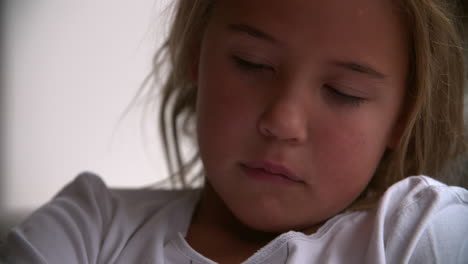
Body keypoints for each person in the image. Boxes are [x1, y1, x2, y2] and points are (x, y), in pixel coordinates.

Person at [3, 0, 468, 263]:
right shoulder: (91, 227)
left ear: (401, 118)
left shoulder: (420, 233)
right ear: (195, 58)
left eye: (343, 92)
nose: (283, 121)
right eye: (252, 64)